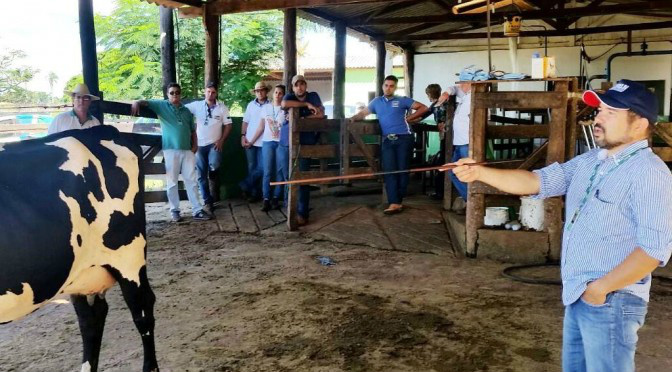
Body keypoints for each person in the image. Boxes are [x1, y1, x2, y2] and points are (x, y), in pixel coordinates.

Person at [450, 79, 672, 372]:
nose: (598, 118)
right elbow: (537, 182)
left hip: (612, 300)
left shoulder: (649, 174)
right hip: (580, 292)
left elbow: (653, 250)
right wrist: (481, 172)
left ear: (639, 124)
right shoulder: (592, 160)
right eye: (599, 110)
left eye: (610, 113)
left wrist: (601, 289)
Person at [131, 83, 211, 222]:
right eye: (172, 92)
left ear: (180, 94)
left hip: (187, 150)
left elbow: (193, 131)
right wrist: (136, 102)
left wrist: (195, 146)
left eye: (177, 92)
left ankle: (197, 210)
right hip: (170, 150)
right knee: (172, 181)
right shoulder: (162, 106)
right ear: (168, 94)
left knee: (191, 181)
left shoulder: (186, 111)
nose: (175, 95)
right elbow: (146, 102)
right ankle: (175, 210)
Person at [349, 75, 429, 214]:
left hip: (404, 138)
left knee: (403, 170)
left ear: (395, 87)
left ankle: (398, 199)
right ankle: (395, 202)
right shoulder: (376, 102)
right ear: (382, 86)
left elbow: (424, 108)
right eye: (386, 85)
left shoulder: (402, 100)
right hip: (387, 140)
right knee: (389, 171)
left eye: (391, 86)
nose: (388, 88)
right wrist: (352, 118)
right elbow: (363, 113)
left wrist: (408, 118)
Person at [280, 75, 325, 226]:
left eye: (302, 84)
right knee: (289, 178)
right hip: (287, 144)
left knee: (304, 180)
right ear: (293, 87)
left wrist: (303, 121)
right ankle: (289, 209)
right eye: (296, 85)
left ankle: (302, 213)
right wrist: (306, 105)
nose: (299, 87)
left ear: (306, 85)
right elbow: (284, 103)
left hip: (306, 144)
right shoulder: (289, 96)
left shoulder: (314, 96)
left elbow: (320, 114)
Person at [185, 82, 232, 213]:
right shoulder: (196, 105)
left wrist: (222, 140)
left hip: (214, 143)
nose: (210, 94)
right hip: (199, 145)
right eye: (208, 92)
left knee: (215, 165)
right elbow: (181, 109)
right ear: (204, 92)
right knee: (201, 175)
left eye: (213, 92)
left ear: (216, 93)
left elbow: (228, 125)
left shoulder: (222, 107)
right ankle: (207, 201)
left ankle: (213, 172)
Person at [252, 84, 287, 212]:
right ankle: (266, 199)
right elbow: (261, 127)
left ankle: (276, 198)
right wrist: (251, 141)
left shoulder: (285, 109)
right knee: (267, 171)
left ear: (283, 95)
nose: (278, 95)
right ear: (273, 94)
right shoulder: (266, 108)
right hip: (267, 142)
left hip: (280, 143)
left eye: (281, 93)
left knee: (279, 171)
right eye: (276, 92)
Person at [436, 81, 472, 202]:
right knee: (453, 172)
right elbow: (453, 88)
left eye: (463, 83)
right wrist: (446, 93)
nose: (460, 86)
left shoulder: (474, 96)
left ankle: (472, 201)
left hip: (467, 143)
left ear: (471, 84)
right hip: (459, 143)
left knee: (470, 173)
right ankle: (470, 200)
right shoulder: (465, 95)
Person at [418, 83, 452, 199]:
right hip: (451, 137)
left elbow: (421, 116)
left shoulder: (437, 105)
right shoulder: (444, 104)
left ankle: (440, 193)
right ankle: (442, 192)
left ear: (429, 94)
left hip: (447, 136)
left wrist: (407, 120)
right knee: (445, 162)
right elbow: (423, 115)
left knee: (442, 164)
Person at [239, 81, 270, 202]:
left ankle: (244, 185)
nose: (260, 92)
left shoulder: (271, 105)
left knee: (262, 168)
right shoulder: (250, 105)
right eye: (257, 91)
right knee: (251, 167)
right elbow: (245, 121)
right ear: (255, 93)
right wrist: (242, 136)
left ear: (266, 91)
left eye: (262, 90)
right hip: (249, 140)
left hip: (265, 142)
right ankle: (254, 193)